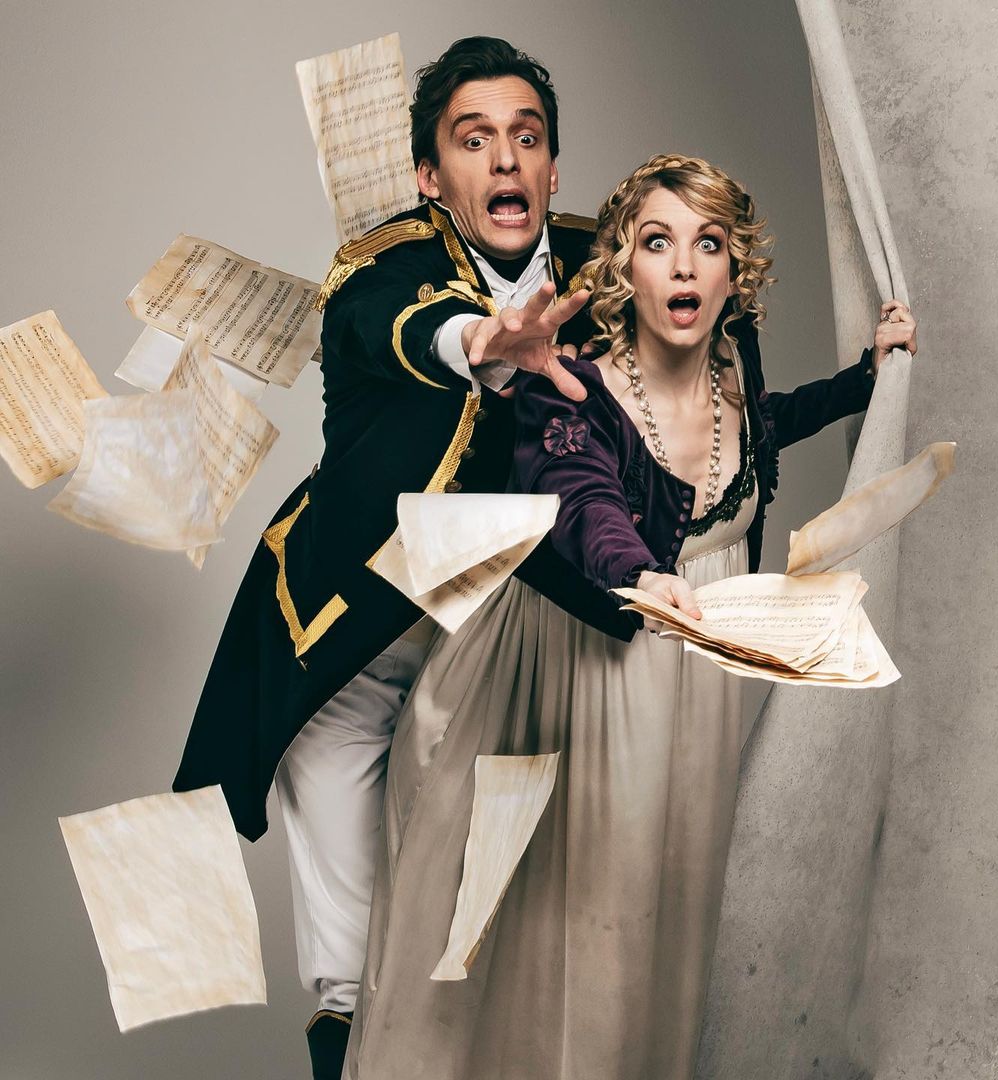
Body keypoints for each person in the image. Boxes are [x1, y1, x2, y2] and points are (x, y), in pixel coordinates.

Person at [342, 154, 918, 1079]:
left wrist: (865, 382)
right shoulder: (569, 388)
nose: (684, 265)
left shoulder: (732, 371)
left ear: (735, 272)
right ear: (623, 267)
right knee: (578, 917)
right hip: (581, 669)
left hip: (689, 679)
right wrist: (640, 573)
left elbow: (759, 432)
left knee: (667, 909)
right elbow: (580, 495)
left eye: (708, 244)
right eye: (658, 243)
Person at [171, 36, 623, 1080]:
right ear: (430, 175)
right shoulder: (381, 266)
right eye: (474, 140)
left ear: (554, 168)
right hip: (351, 647)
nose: (504, 160)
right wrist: (487, 343)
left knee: (485, 934)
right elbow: (407, 326)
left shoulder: (603, 265)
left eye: (527, 138)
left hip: (511, 641)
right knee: (352, 958)